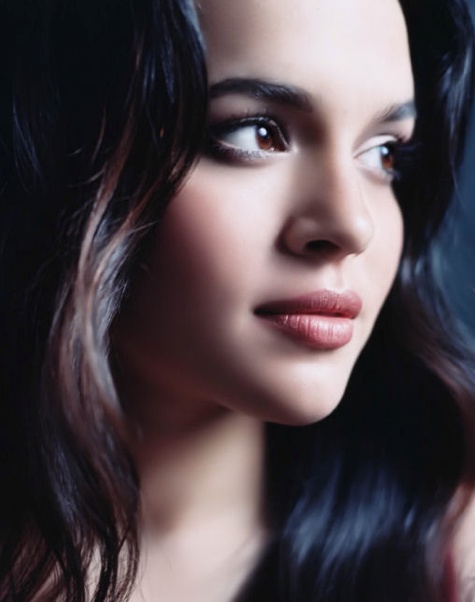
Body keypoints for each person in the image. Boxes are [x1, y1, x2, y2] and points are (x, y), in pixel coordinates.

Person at [0, 0, 474, 600]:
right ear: (65, 145)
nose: (352, 224)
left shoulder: (451, 561)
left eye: (384, 153)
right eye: (259, 133)